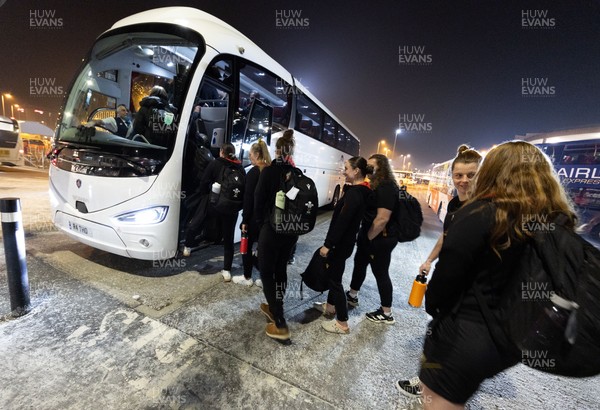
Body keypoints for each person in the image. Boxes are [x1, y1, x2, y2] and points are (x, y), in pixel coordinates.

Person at [417, 141, 576, 409]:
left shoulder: (480, 214)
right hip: (510, 338)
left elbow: (445, 282)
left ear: (493, 171)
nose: (468, 180)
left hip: (466, 335)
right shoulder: (553, 219)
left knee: (436, 401)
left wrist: (433, 307)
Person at [396, 144, 482, 398]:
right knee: (439, 334)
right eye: (459, 175)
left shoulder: (483, 209)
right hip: (449, 282)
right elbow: (446, 237)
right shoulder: (455, 205)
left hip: (468, 290)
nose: (464, 181)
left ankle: (430, 386)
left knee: (444, 338)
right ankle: (433, 383)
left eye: (471, 175)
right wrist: (429, 260)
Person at [313, 156, 374, 334]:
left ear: (356, 171)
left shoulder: (355, 194)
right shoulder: (363, 191)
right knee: (336, 275)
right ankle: (330, 307)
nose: (344, 171)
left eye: (346, 168)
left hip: (339, 245)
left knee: (335, 280)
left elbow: (342, 222)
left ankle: (342, 322)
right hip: (346, 243)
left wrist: (328, 245)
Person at [253, 129, 298, 342]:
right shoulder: (297, 174)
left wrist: (262, 226)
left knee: (266, 272)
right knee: (280, 270)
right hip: (290, 233)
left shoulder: (269, 172)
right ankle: (275, 307)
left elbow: (258, 203)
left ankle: (279, 322)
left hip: (271, 231)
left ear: (277, 150)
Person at [346, 153, 399, 324]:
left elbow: (382, 219)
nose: (367, 168)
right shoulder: (376, 185)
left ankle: (386, 312)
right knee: (360, 263)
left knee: (380, 271)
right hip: (370, 235)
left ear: (381, 168)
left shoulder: (386, 187)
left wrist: (368, 238)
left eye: (371, 166)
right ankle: (353, 295)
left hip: (380, 238)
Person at [198, 143, 245, 282]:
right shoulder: (240, 167)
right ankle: (227, 270)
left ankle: (189, 245)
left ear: (221, 152)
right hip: (232, 208)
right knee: (229, 239)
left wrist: (205, 195)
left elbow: (204, 182)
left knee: (201, 218)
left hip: (216, 204)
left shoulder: (215, 163)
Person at [231, 139, 272, 287]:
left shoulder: (253, 173)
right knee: (264, 249)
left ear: (256, 154)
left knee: (247, 247)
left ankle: (247, 277)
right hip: (268, 219)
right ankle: (264, 279)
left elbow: (249, 199)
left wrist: (245, 220)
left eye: (250, 154)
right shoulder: (271, 170)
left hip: (254, 218)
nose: (249, 157)